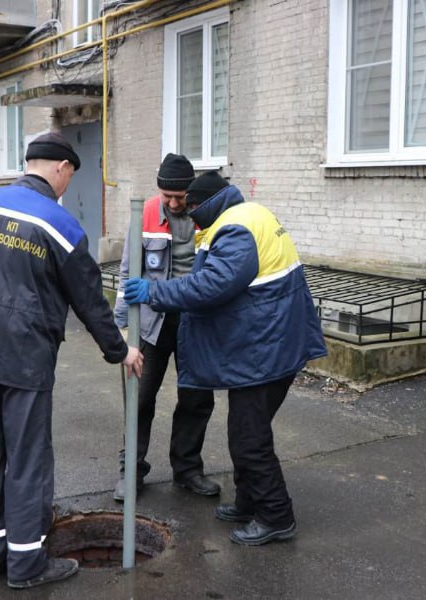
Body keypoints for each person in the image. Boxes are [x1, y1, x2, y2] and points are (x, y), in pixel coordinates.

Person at [0, 132, 143, 589]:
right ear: (61, 169)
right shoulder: (60, 225)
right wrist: (120, 350)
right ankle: (26, 566)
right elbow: (89, 300)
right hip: (25, 362)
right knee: (26, 460)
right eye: (69, 176)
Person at [123, 171, 327, 546]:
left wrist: (155, 290)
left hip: (268, 348)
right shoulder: (248, 214)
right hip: (268, 342)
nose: (189, 214)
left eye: (192, 207)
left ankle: (276, 516)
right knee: (246, 430)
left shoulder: (234, 229)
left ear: (204, 204)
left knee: (250, 438)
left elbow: (211, 285)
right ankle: (249, 502)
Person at [112, 153, 220, 501]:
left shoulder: (207, 217)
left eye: (180, 197)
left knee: (196, 397)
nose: (173, 203)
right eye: (167, 196)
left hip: (196, 320)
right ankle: (131, 471)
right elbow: (129, 271)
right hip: (151, 321)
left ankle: (187, 470)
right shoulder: (143, 214)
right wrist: (121, 327)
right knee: (139, 398)